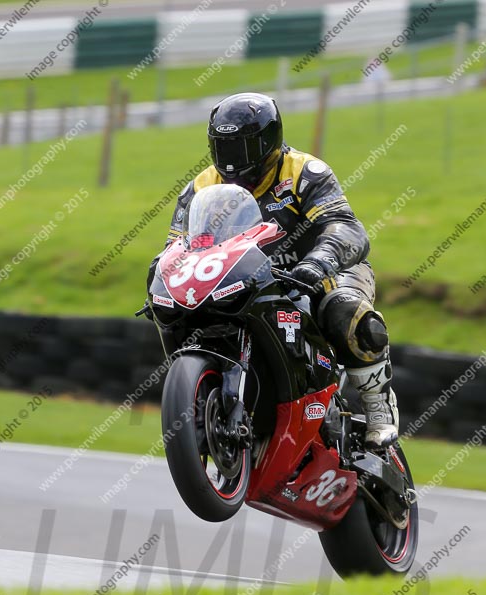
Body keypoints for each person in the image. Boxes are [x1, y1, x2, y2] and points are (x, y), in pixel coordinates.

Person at [147, 92, 398, 449]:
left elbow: (347, 228)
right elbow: (177, 246)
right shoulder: (201, 186)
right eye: (225, 147)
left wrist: (318, 261)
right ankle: (204, 401)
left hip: (322, 271)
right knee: (176, 309)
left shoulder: (304, 172)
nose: (234, 160)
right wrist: (160, 273)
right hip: (247, 282)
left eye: (244, 147)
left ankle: (378, 408)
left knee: (343, 307)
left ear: (269, 140)